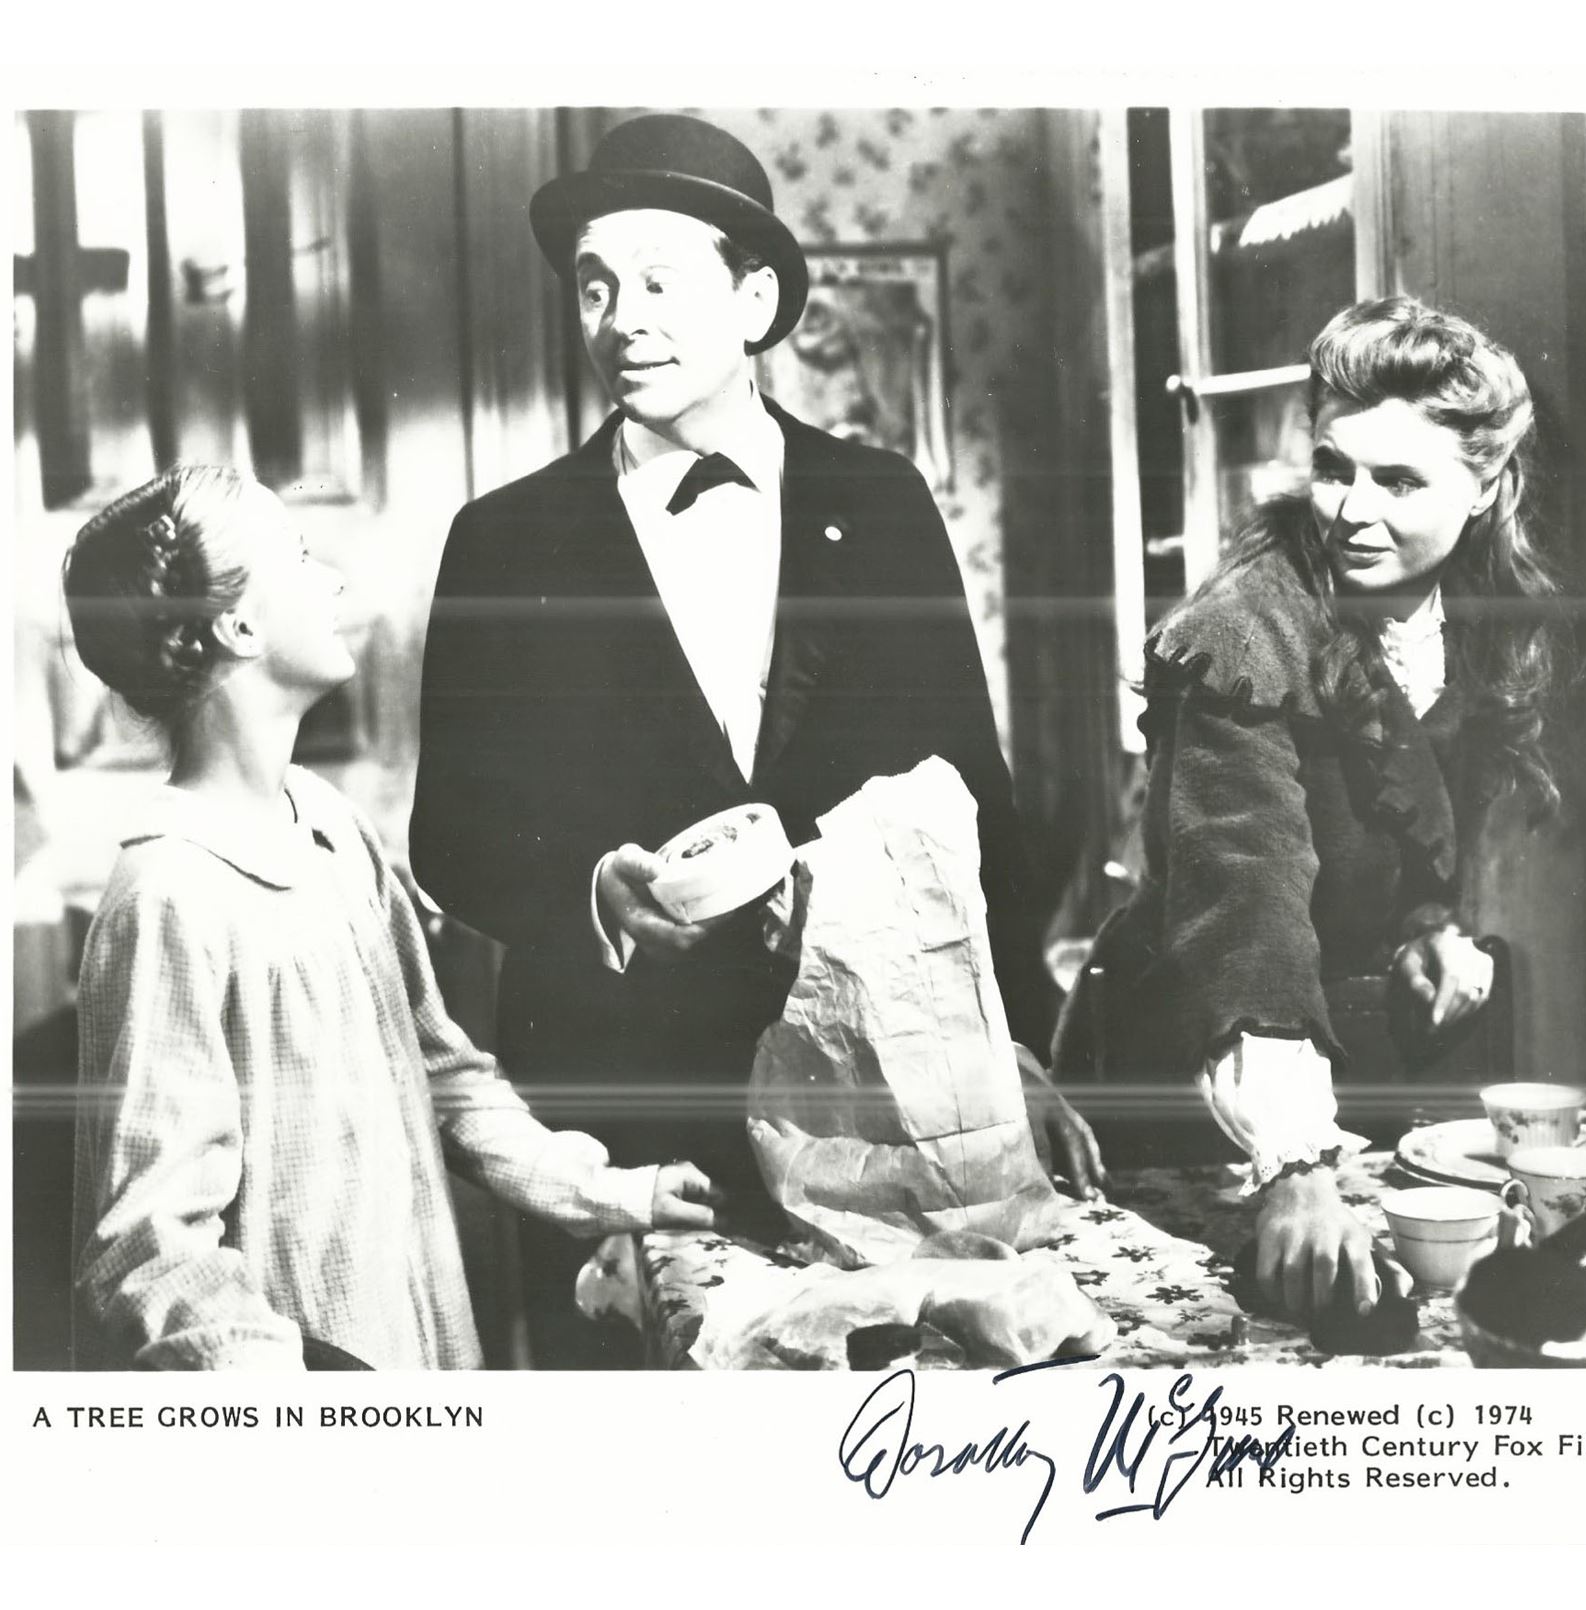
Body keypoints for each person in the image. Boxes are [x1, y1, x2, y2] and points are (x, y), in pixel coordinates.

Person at [410, 114, 1099, 1226]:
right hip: (622, 1105)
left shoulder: (880, 502)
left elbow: (970, 788)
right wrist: (593, 891)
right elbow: (449, 832)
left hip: (871, 1080)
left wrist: (1010, 1036)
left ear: (755, 300)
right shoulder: (504, 539)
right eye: (595, 287)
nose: (622, 319)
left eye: (659, 282)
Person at [64, 466, 716, 1371]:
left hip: (429, 1355)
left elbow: (445, 1075)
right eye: (298, 556)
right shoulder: (167, 893)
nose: (332, 580)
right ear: (238, 627)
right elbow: (147, 1246)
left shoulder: (332, 828)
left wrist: (616, 1192)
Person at [1055, 297, 1562, 1322]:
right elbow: (1247, 900)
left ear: (1486, 485)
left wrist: (1429, 926)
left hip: (1340, 1061)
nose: (1351, 511)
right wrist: (1293, 1166)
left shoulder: (1465, 611)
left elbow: (1407, 815)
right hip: (1185, 1067)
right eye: (1334, 468)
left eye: (1399, 480)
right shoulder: (1244, 634)